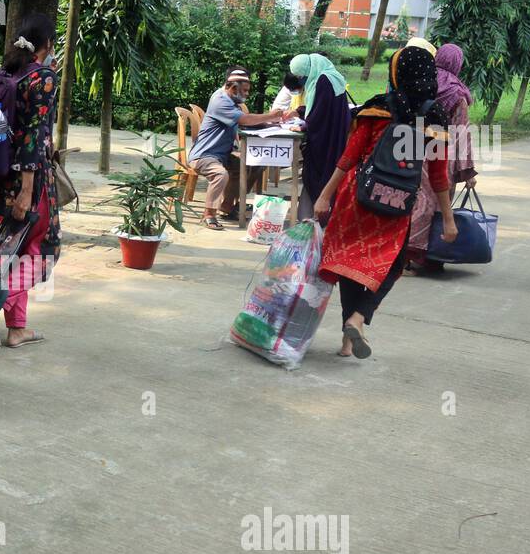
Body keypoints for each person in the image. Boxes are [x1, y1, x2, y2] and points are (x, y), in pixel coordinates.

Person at [312, 46, 458, 359]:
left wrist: (325, 195)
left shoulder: (377, 109)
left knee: (351, 264)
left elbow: (349, 157)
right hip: (397, 201)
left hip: (357, 196)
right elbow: (438, 176)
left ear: (396, 74)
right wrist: (448, 218)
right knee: (392, 266)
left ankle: (347, 343)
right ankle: (359, 318)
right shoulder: (433, 118)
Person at [0, 13, 62, 349]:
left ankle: (17, 328)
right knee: (46, 249)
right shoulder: (42, 77)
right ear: (48, 44)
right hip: (30, 181)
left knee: (9, 250)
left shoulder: (5, 73)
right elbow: (33, 135)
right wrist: (27, 191)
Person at [189, 67, 294, 230]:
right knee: (220, 174)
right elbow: (244, 119)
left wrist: (270, 122)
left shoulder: (230, 99)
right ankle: (208, 214)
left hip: (223, 155)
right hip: (204, 155)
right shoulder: (220, 101)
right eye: (244, 91)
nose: (247, 94)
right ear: (233, 87)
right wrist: (272, 115)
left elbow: (245, 120)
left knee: (255, 164)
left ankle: (228, 206)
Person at [407, 42, 477, 273]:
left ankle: (406, 254)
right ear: (457, 64)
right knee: (438, 206)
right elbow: (461, 135)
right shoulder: (457, 95)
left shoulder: (419, 83)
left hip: (411, 152)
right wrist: (467, 171)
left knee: (414, 203)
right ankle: (429, 256)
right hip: (440, 157)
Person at [287, 53, 351, 223]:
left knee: (317, 176)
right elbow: (322, 107)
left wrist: (303, 125)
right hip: (333, 135)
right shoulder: (330, 76)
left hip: (324, 141)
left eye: (302, 76)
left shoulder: (323, 80)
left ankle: (315, 219)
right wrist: (301, 111)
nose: (302, 80)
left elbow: (320, 115)